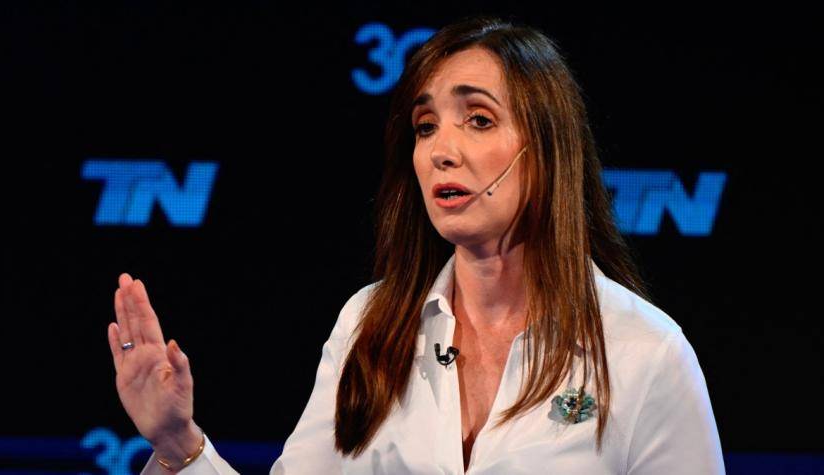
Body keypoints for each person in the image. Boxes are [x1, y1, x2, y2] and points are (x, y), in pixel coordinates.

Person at [108, 15, 725, 474]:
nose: (440, 150)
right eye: (426, 126)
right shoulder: (370, 324)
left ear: (547, 150)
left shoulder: (645, 354)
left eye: (478, 120)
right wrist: (178, 444)